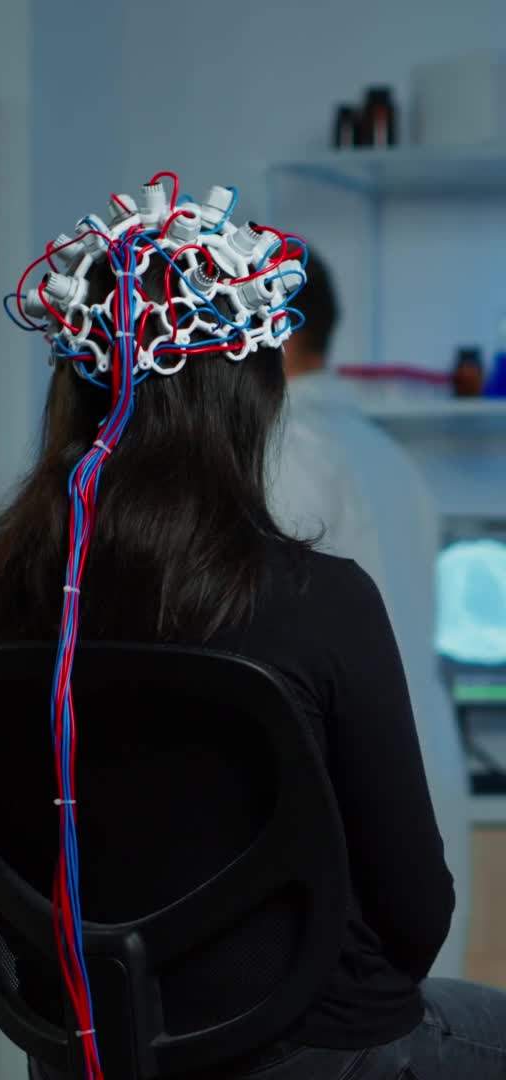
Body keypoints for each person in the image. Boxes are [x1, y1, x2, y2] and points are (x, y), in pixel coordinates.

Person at [0, 176, 505, 1079]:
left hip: (84, 1048)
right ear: (251, 401)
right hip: (309, 1048)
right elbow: (414, 918)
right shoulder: (312, 595)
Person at [275, 248, 471, 982]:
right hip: (424, 801)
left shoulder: (286, 453)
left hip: (353, 821)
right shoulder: (390, 458)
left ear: (276, 327)